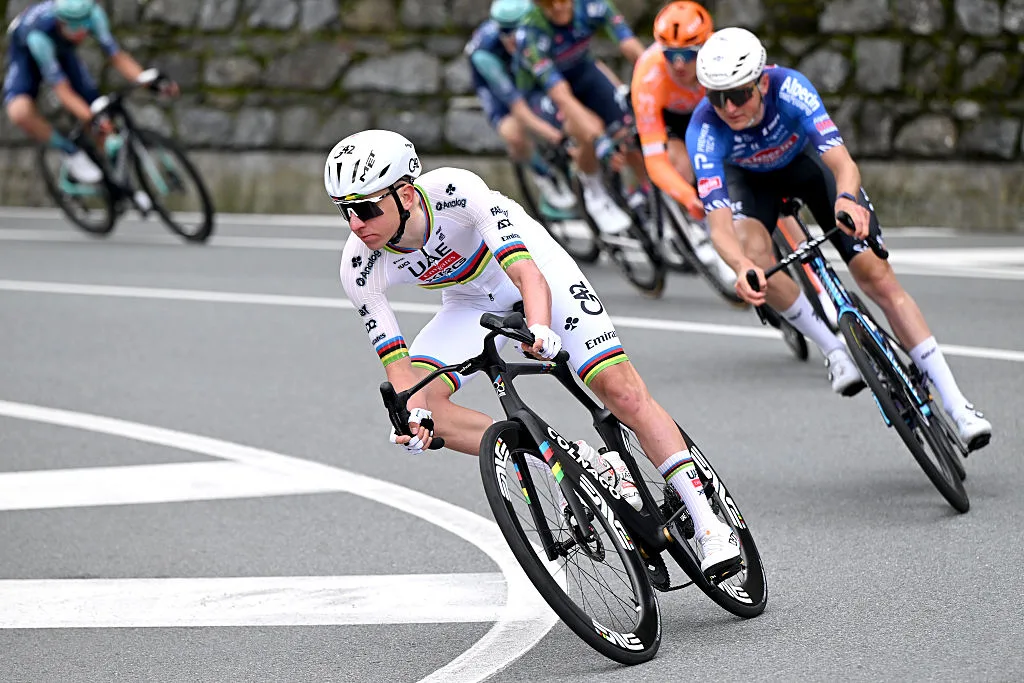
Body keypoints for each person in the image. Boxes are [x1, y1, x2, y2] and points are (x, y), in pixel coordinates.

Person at [326, 129, 743, 580]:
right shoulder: (359, 267)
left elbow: (528, 276)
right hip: (470, 303)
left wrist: (540, 328)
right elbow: (396, 361)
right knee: (423, 405)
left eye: (365, 208)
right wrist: (415, 417)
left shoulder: (455, 192)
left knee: (620, 391)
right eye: (345, 211)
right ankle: (567, 458)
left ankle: (709, 524)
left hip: (536, 271)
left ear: (406, 195)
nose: (355, 224)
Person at [685, 27, 991, 450]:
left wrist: (848, 201)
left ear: (761, 82)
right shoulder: (703, 129)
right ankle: (833, 349)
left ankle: (958, 406)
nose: (729, 108)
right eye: (717, 98)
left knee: (875, 276)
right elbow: (719, 226)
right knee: (755, 259)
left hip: (807, 167)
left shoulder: (790, 88)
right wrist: (740, 267)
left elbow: (843, 164)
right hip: (752, 185)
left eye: (738, 95)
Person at [3, 0, 178, 185]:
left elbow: (117, 56)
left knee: (100, 116)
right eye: (73, 28)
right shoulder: (38, 37)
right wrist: (91, 118)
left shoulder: (94, 15)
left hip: (63, 51)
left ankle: (121, 185)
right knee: (19, 112)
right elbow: (63, 90)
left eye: (83, 27)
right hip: (28, 55)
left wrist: (148, 81)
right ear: (60, 22)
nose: (80, 33)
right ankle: (70, 151)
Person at [513, 0, 647, 235]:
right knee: (588, 130)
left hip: (583, 71)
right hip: (545, 90)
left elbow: (629, 44)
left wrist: (656, 73)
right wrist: (599, 139)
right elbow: (561, 95)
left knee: (626, 130)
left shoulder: (593, 5)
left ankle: (646, 194)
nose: (557, 8)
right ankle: (594, 193)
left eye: (563, 0)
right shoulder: (531, 31)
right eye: (548, 4)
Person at [466, 0, 577, 216]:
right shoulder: (485, 53)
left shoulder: (542, 26)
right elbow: (517, 108)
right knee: (514, 133)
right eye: (505, 32)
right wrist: (556, 137)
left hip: (527, 70)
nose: (512, 38)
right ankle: (544, 176)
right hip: (498, 84)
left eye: (518, 30)